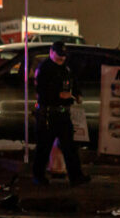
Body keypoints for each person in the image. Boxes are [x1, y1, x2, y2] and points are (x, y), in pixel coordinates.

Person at [32, 40, 87, 186]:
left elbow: (73, 83)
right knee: (44, 146)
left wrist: (77, 94)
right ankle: (38, 176)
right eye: (59, 55)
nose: (61, 58)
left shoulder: (66, 68)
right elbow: (41, 92)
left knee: (70, 147)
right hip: (48, 113)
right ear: (51, 52)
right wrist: (58, 96)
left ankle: (76, 176)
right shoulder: (44, 68)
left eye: (63, 55)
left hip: (63, 114)